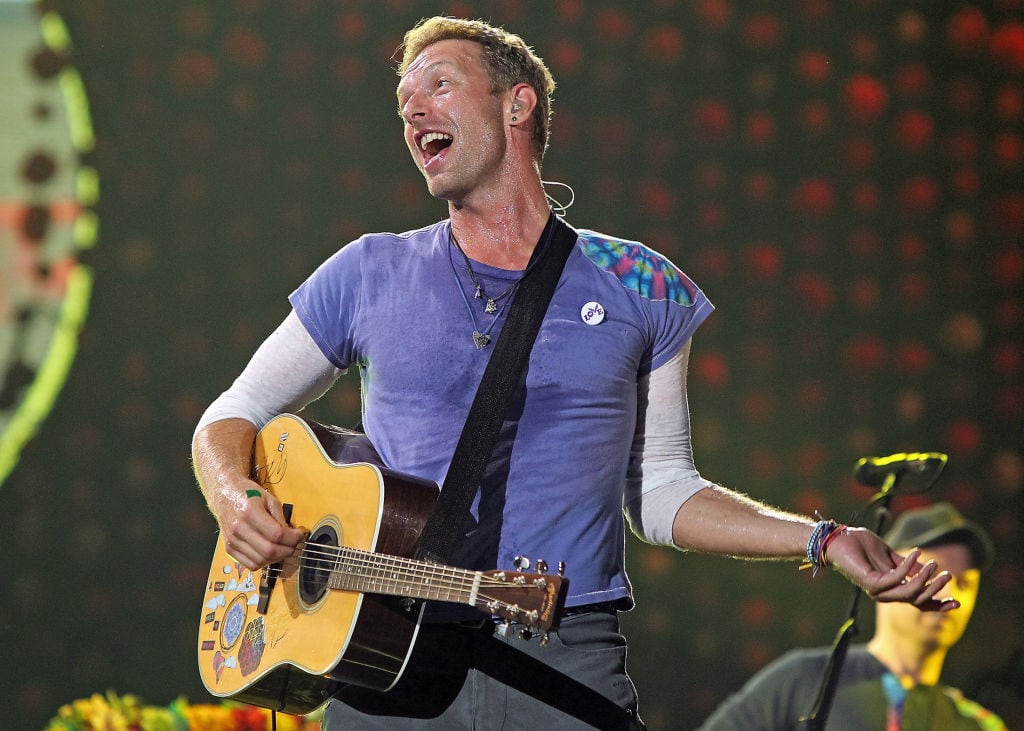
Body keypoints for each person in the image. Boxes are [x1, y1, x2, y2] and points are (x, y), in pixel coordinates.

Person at [191, 16, 959, 730]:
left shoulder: (640, 284)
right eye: (402, 101)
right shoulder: (366, 271)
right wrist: (237, 497)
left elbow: (660, 491)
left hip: (562, 653)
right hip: (385, 655)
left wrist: (820, 538)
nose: (412, 110)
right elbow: (235, 411)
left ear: (516, 105)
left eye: (439, 84)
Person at [698, 502, 1007, 730]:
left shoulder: (979, 725)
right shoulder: (810, 679)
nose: (947, 590)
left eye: (965, 583)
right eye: (932, 573)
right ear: (887, 567)